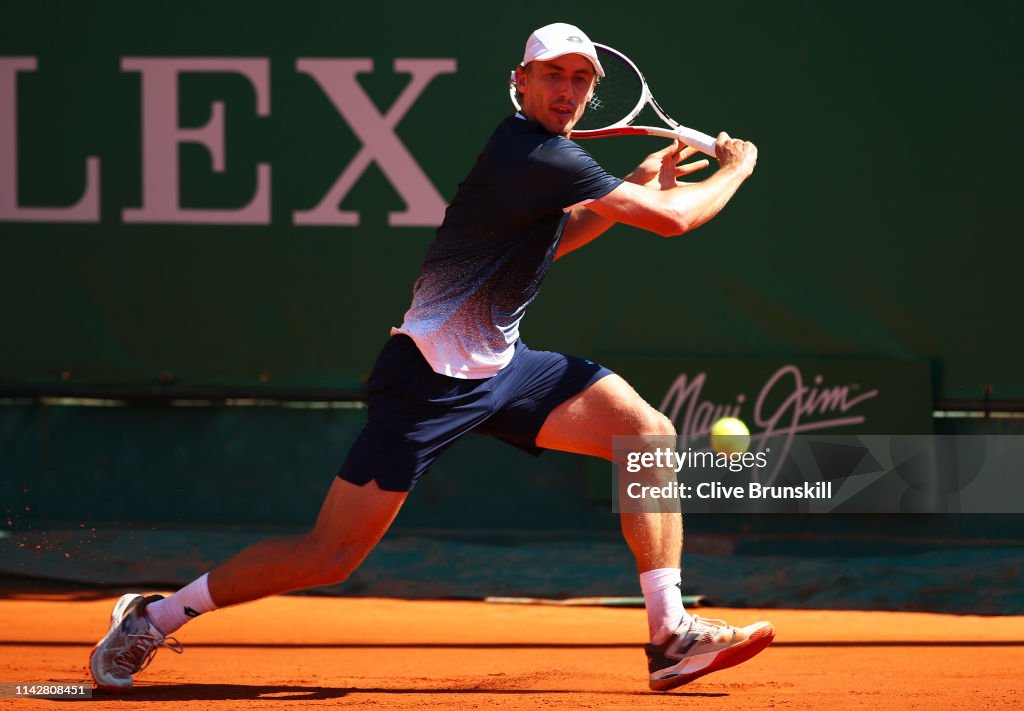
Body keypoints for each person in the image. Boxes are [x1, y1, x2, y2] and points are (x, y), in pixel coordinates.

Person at [89, 22, 773, 693]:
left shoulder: (550, 162)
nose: (566, 89)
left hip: (504, 369)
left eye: (579, 79)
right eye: (553, 75)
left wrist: (629, 190)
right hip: (428, 381)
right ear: (521, 82)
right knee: (326, 557)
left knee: (645, 434)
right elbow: (675, 220)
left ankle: (670, 635)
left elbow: (547, 246)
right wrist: (736, 170)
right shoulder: (534, 153)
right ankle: (153, 616)